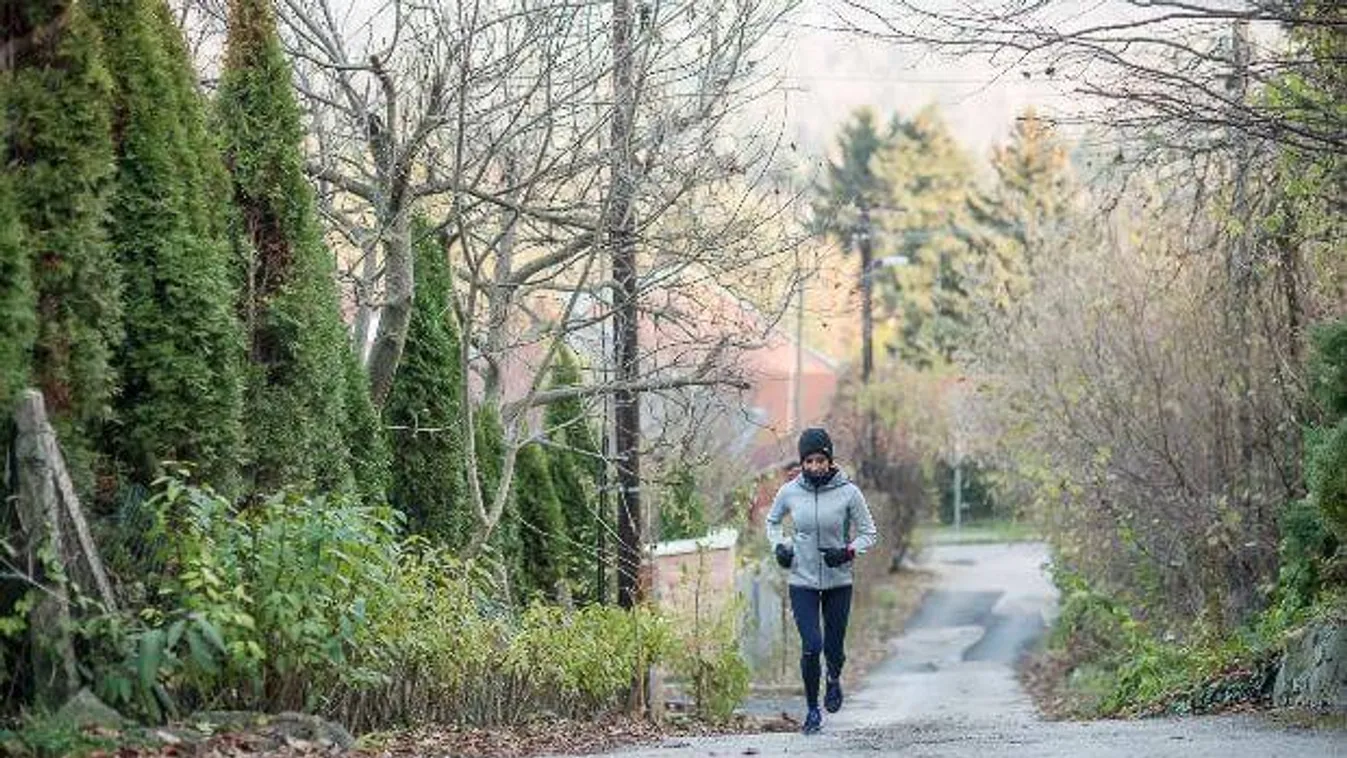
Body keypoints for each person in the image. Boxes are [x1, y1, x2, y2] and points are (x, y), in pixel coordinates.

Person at [766, 427, 879, 735]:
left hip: (838, 581)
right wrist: (780, 547)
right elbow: (772, 522)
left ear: (830, 460)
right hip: (801, 580)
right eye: (809, 461)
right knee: (811, 646)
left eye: (820, 460)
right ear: (802, 462)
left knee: (834, 648)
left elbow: (869, 533)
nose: (815, 466)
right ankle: (812, 710)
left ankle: (833, 678)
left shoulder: (849, 493)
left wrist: (847, 552)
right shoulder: (789, 492)